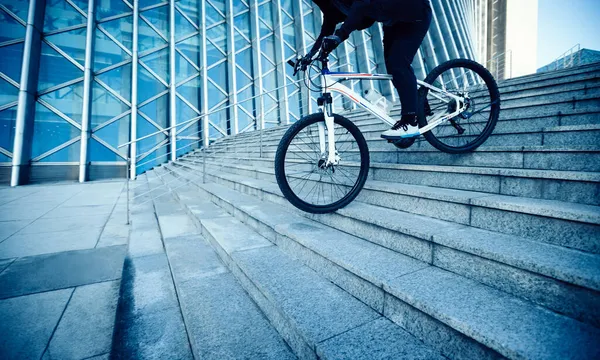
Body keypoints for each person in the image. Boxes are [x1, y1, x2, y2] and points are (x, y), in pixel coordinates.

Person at [303, 0, 432, 139]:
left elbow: (362, 4)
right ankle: (419, 103)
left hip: (414, 13)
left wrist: (340, 35)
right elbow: (329, 24)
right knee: (393, 68)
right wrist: (310, 55)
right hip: (392, 21)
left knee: (398, 64)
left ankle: (410, 121)